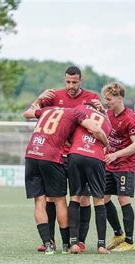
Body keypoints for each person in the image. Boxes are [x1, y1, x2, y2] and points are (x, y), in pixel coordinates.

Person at [22, 104, 109, 254]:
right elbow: (95, 129)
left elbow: (27, 113)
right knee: (60, 200)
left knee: (39, 201)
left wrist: (39, 100)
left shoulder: (48, 109)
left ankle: (48, 244)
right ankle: (66, 244)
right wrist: (106, 144)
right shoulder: (76, 112)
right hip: (51, 156)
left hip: (31, 153)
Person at [32, 66, 101, 252]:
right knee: (51, 198)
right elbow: (36, 114)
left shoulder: (92, 97)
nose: (71, 85)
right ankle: (51, 240)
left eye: (74, 82)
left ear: (81, 81)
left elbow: (99, 122)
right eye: (68, 82)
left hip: (80, 154)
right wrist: (39, 98)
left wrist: (102, 111)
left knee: (82, 198)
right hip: (56, 155)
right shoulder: (55, 96)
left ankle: (79, 241)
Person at [101, 82, 135, 252]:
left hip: (124, 165)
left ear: (119, 98)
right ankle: (118, 234)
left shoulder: (130, 118)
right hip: (109, 164)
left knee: (123, 199)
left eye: (109, 99)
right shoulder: (108, 114)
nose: (107, 102)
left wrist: (117, 154)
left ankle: (130, 241)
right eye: (106, 99)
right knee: (103, 199)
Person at [67, 103, 111, 254]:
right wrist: (106, 143)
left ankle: (73, 243)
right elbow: (102, 137)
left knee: (75, 197)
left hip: (76, 154)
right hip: (96, 157)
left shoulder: (79, 110)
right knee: (99, 200)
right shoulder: (107, 120)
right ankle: (101, 245)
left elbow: (68, 133)